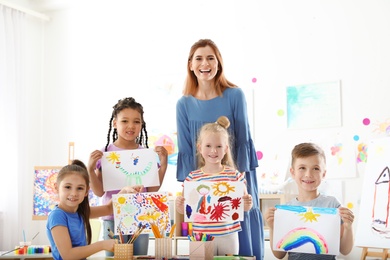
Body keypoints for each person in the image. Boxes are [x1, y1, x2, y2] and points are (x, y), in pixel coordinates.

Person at [176, 38, 263, 259]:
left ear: (218, 63)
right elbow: (186, 148)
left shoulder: (235, 95)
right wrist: (191, 192)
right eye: (199, 58)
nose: (205, 64)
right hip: (202, 180)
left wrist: (237, 181)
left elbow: (243, 139)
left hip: (236, 175)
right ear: (190, 64)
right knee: (206, 241)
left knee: (237, 232)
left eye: (210, 58)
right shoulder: (183, 104)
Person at [87, 97, 168, 256]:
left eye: (136, 122)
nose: (131, 126)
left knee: (140, 256)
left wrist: (163, 164)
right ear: (115, 123)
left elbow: (151, 189)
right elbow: (98, 192)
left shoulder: (146, 153)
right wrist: (90, 169)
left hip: (141, 216)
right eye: (125, 121)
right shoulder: (105, 153)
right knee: (115, 257)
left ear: (141, 125)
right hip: (112, 217)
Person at [176, 116, 253, 256]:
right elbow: (185, 210)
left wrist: (247, 203)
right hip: (201, 235)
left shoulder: (234, 175)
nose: (213, 151)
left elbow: (245, 207)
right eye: (208, 146)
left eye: (219, 146)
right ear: (200, 147)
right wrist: (180, 205)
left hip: (228, 234)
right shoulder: (192, 178)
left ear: (225, 149)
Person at [264, 142, 355, 260]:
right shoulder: (286, 209)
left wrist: (348, 227)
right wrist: (272, 228)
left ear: (324, 174)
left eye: (316, 168)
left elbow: (345, 250)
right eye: (302, 168)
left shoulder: (332, 205)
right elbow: (279, 255)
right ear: (293, 172)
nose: (308, 174)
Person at [46, 159, 144, 260]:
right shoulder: (57, 215)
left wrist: (124, 190)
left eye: (79, 188)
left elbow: (108, 208)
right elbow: (68, 255)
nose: (74, 193)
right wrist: (101, 245)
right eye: (67, 187)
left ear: (86, 192)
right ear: (56, 188)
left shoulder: (80, 212)